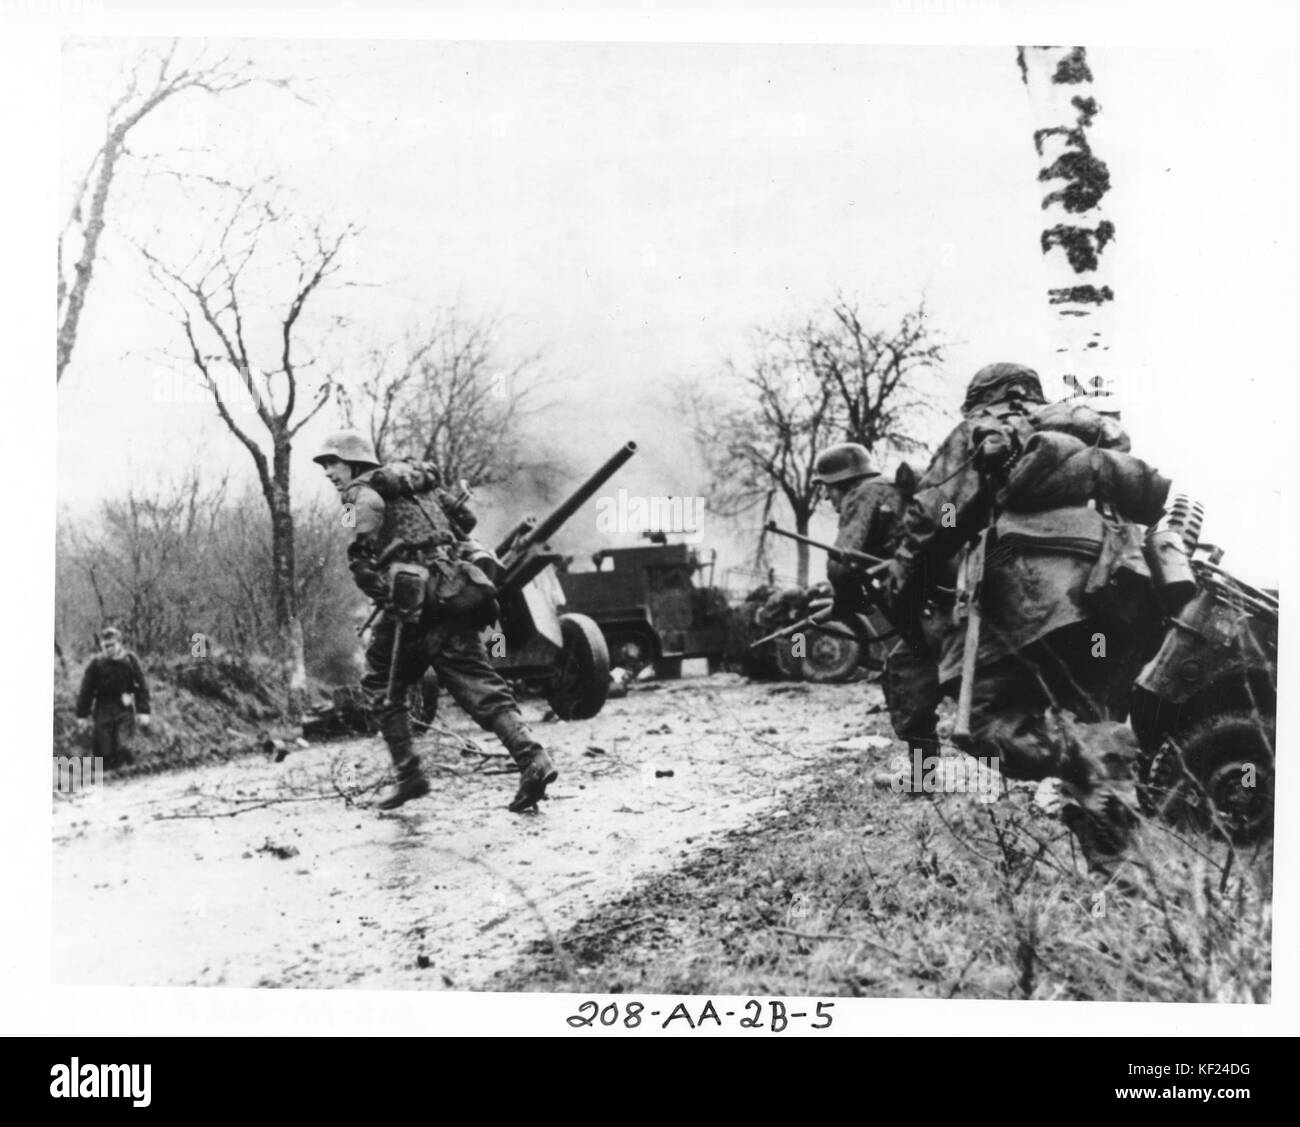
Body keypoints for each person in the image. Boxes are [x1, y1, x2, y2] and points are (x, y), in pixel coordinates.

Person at [884, 362, 1171, 857]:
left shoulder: (984, 430)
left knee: (982, 725)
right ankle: (1115, 876)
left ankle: (1083, 760)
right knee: (1090, 716)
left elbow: (936, 517)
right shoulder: (1086, 432)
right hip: (1115, 597)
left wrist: (903, 589)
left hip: (1031, 603)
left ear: (980, 399)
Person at [314, 430, 558, 813]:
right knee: (481, 685)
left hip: (414, 607)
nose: (328, 472)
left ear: (355, 463)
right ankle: (534, 760)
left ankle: (410, 776)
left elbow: (359, 556)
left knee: (381, 683)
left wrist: (384, 593)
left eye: (333, 463)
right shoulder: (417, 484)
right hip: (455, 594)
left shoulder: (358, 496)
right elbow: (466, 519)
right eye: (325, 465)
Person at [812, 445, 947, 772]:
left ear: (841, 483)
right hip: (939, 599)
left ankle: (922, 778)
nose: (829, 501)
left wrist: (846, 603)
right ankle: (921, 776)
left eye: (828, 490)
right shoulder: (896, 492)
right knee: (905, 671)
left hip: (926, 607)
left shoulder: (862, 495)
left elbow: (842, 562)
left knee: (904, 675)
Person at [74, 627, 151, 768]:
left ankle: (128, 781)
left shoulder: (130, 660)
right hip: (103, 708)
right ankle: (107, 782)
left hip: (124, 708)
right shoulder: (96, 664)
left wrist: (143, 711)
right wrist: (82, 715)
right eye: (106, 646)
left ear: (119, 643)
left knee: (124, 747)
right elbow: (86, 690)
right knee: (104, 751)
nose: (109, 649)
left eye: (112, 645)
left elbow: (141, 686)